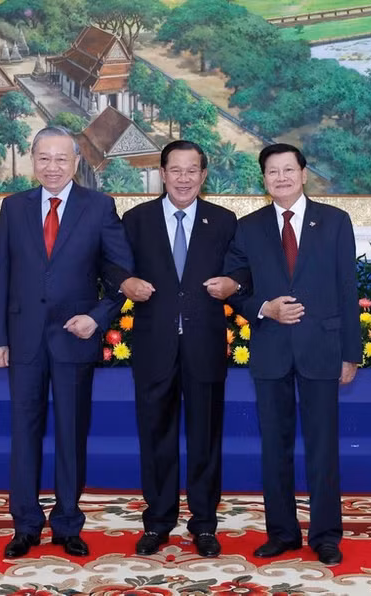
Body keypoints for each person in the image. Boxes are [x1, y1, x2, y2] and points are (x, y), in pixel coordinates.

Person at [0, 126, 133, 559]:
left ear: (76, 162)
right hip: (24, 339)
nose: (53, 167)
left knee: (71, 435)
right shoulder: (13, 208)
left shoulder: (100, 207)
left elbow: (121, 277)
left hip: (75, 339)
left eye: (61, 159)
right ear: (34, 160)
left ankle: (68, 523)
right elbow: (1, 277)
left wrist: (98, 317)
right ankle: (25, 525)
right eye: (44, 159)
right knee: (24, 435)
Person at [223, 143, 361, 566]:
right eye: (272, 172)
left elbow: (346, 289)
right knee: (275, 447)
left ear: (304, 174)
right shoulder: (248, 228)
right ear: (263, 179)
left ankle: (326, 535)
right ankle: (281, 532)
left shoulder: (335, 222)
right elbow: (236, 286)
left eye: (288, 170)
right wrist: (264, 308)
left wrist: (350, 354)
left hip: (322, 348)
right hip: (271, 349)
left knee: (322, 447)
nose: (280, 177)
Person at [108, 140, 245, 558]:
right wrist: (124, 282)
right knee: (156, 438)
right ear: (162, 173)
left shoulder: (224, 221)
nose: (183, 178)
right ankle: (159, 522)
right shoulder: (137, 219)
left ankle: (204, 524)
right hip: (155, 344)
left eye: (192, 170)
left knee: (205, 438)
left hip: (204, 344)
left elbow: (243, 268)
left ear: (204, 176)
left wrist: (234, 285)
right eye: (175, 170)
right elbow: (111, 263)